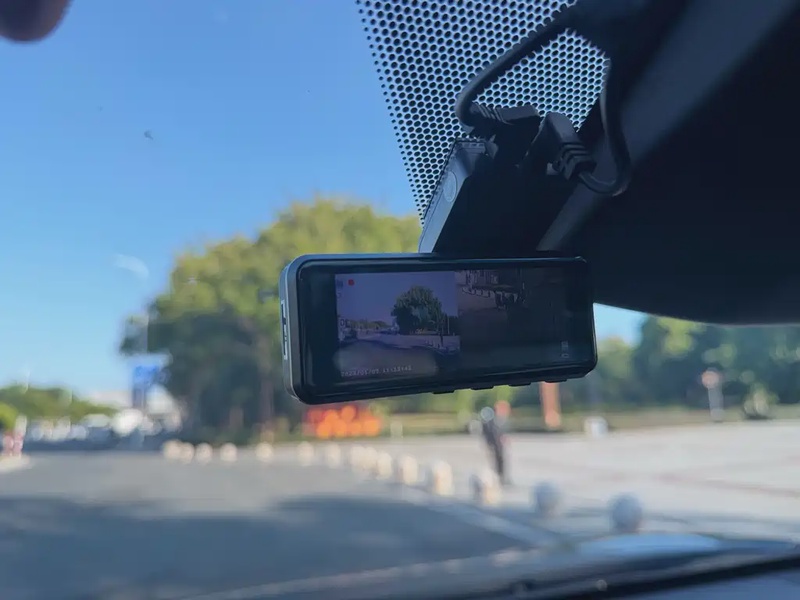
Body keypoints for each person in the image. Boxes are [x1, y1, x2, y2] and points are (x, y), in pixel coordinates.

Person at [479, 406, 509, 486]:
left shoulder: (493, 423)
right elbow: (490, 435)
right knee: (497, 462)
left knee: (500, 461)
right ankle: (498, 477)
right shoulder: (490, 424)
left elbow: (499, 434)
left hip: (497, 446)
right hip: (495, 445)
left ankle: (500, 477)